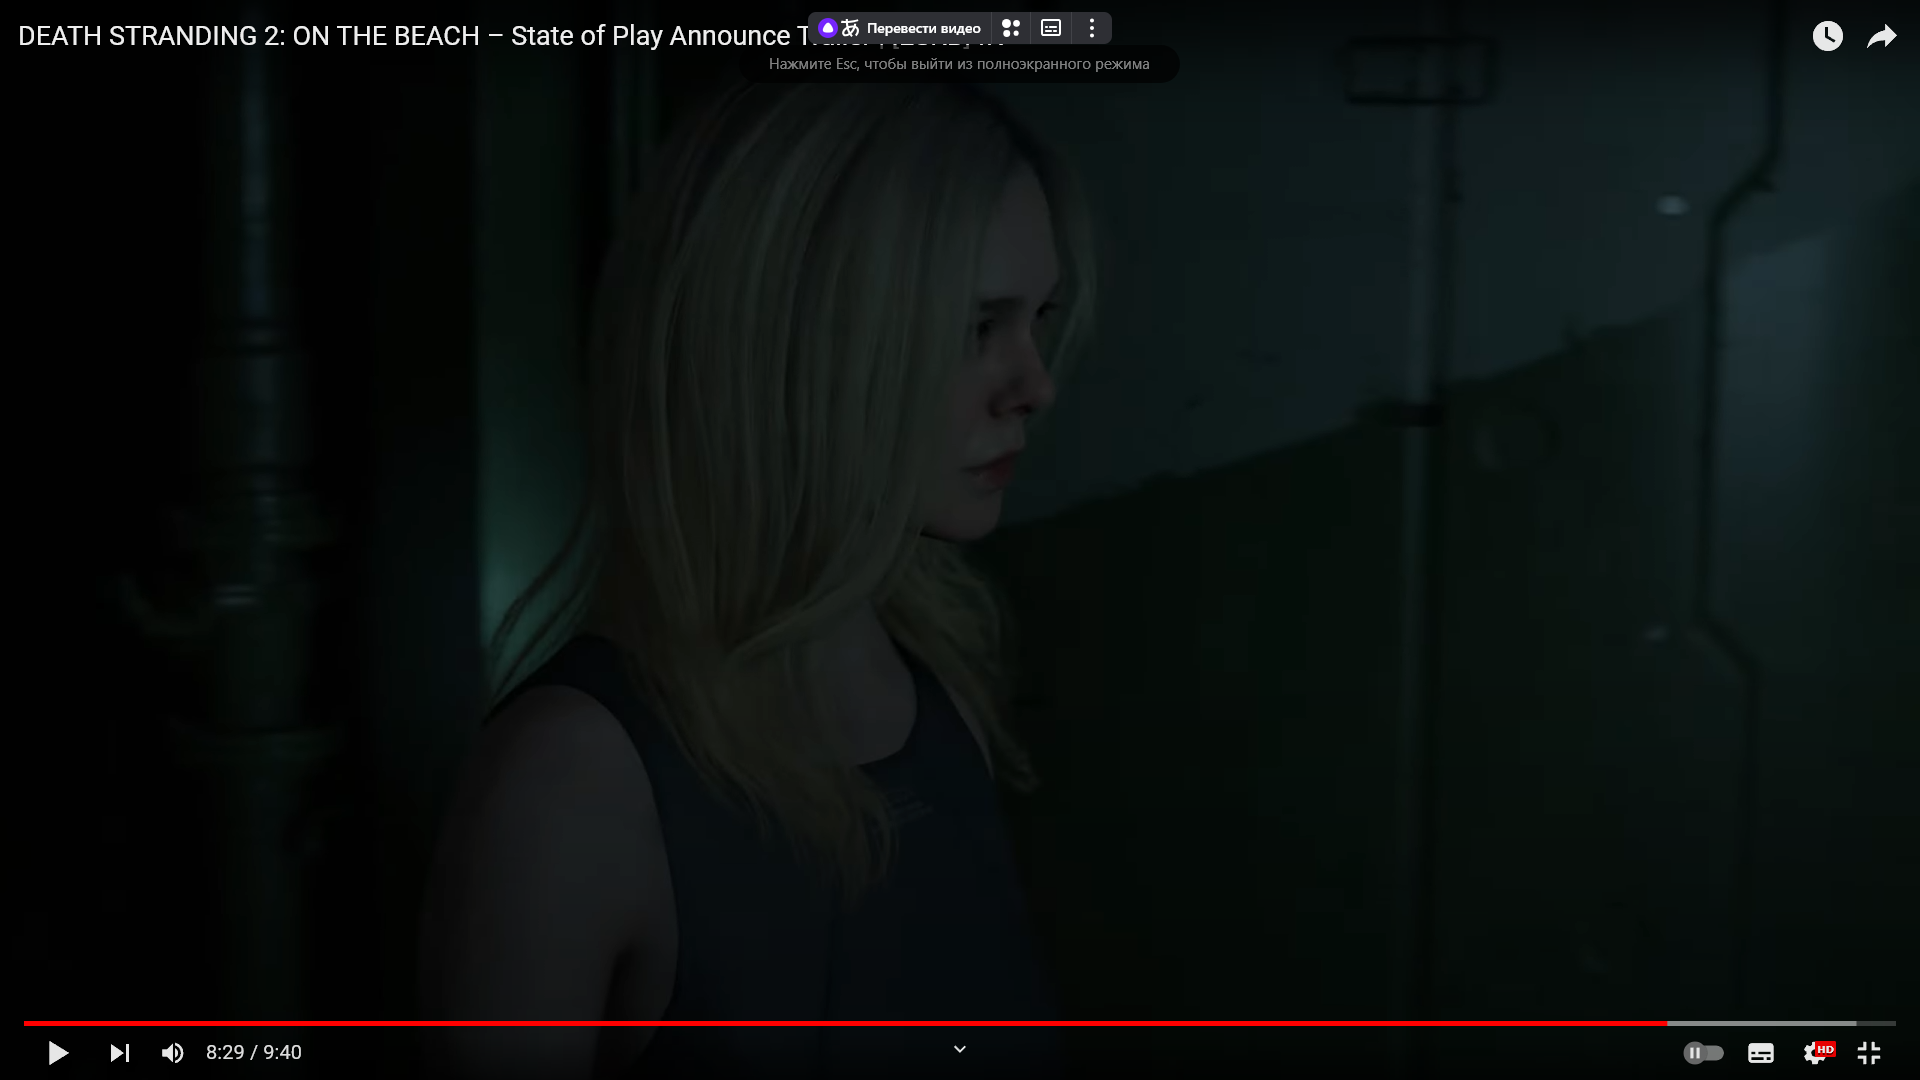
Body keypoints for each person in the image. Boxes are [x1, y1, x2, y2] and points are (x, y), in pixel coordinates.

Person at [418, 77, 1095, 1079]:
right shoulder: (571, 785)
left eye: (1039, 318)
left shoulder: (938, 686)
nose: (1035, 384)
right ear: (792, 339)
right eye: (975, 327)